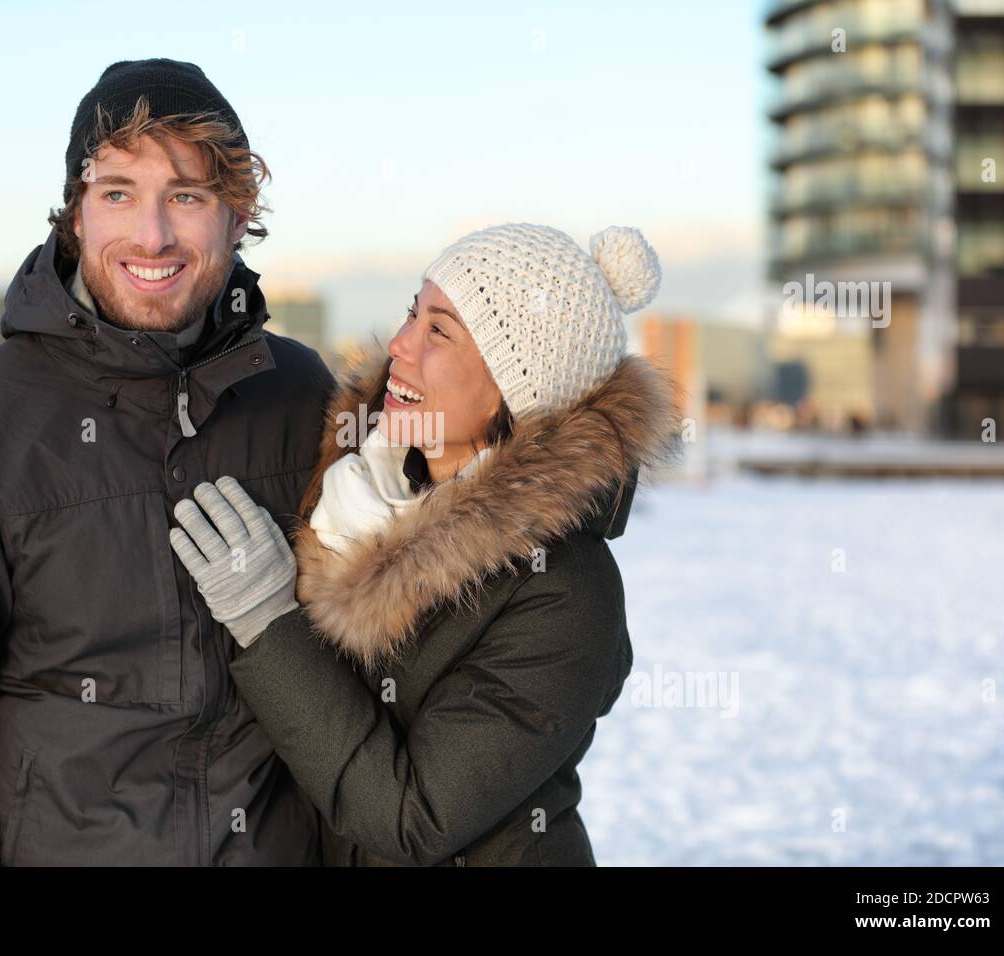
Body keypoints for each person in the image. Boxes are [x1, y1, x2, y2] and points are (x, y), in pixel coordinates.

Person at [0, 58, 335, 865]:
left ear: (237, 215)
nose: (151, 236)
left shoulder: (302, 396)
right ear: (76, 213)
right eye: (117, 193)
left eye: (187, 195)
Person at [170, 222, 683, 865]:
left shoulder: (567, 592)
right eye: (413, 313)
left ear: (518, 390)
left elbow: (414, 818)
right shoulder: (355, 491)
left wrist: (267, 623)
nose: (401, 346)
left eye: (439, 330)